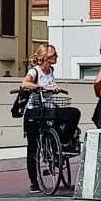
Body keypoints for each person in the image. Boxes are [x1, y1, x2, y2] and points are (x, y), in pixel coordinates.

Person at [20, 45, 82, 191]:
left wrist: (55, 88)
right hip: (34, 111)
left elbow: (51, 84)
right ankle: (34, 183)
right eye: (54, 55)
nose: (56, 57)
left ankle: (63, 143)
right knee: (33, 147)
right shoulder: (34, 71)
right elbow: (24, 83)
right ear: (46, 57)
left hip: (49, 108)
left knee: (73, 113)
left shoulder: (50, 70)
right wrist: (40, 87)